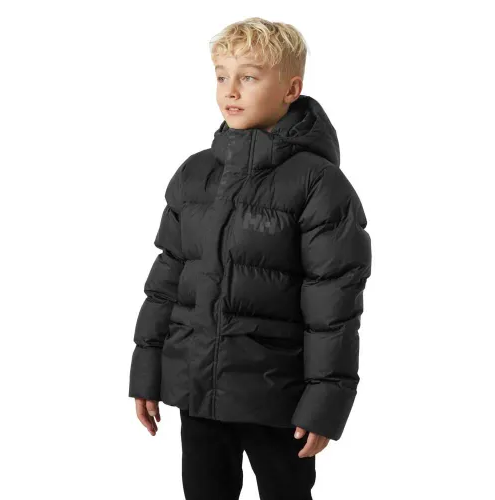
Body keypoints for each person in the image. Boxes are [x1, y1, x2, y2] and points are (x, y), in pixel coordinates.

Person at [128, 17, 372, 500]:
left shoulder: (318, 184)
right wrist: (147, 371)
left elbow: (335, 304)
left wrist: (324, 402)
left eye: (249, 77)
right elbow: (166, 280)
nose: (230, 90)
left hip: (278, 398)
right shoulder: (195, 174)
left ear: (291, 89)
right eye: (221, 76)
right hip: (197, 389)